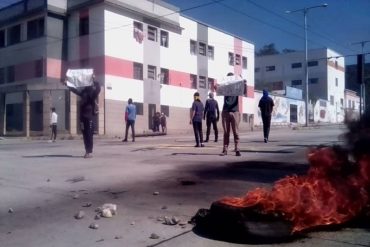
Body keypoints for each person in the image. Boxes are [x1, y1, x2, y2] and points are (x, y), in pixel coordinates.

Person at [64, 77, 101, 158]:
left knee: (88, 134)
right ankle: (87, 151)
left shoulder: (91, 94)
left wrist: (95, 81)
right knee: (85, 134)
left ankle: (89, 152)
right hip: (83, 118)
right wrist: (68, 84)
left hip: (88, 118)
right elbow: (75, 90)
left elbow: (98, 89)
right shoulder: (83, 93)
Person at [220, 72, 243, 156]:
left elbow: (244, 89)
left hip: (235, 111)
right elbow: (217, 89)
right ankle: (225, 149)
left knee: (236, 132)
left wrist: (242, 81)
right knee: (226, 132)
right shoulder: (224, 87)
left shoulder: (237, 87)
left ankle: (237, 149)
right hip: (226, 110)